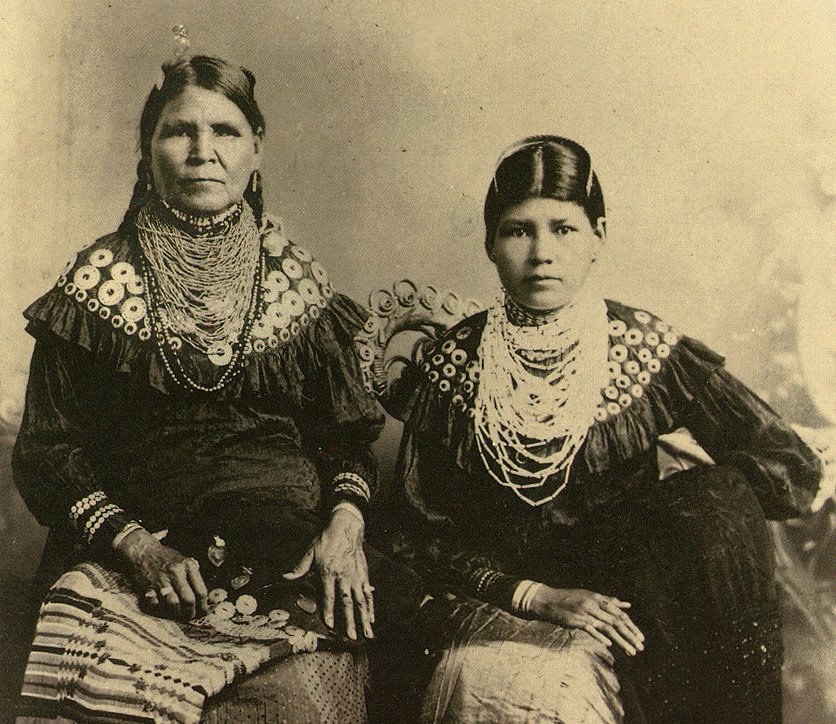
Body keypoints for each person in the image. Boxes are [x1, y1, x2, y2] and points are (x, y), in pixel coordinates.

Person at [12, 48, 416, 723]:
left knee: (300, 700)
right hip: (141, 559)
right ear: (147, 150)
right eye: (179, 131)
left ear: (257, 147)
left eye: (225, 131)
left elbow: (349, 438)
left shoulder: (298, 284)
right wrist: (139, 547)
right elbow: (48, 454)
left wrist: (345, 526)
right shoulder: (96, 286)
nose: (204, 152)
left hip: (292, 553)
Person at [381, 136, 823, 722]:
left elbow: (789, 465)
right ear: (490, 243)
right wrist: (533, 596)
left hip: (640, 596)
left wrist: (685, 510)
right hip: (515, 596)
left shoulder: (642, 347)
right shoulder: (453, 368)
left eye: (563, 229)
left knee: (717, 496)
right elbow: (416, 539)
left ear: (598, 237)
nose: (542, 253)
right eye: (518, 231)